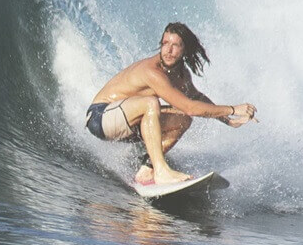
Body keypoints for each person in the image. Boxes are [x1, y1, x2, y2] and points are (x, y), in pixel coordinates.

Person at [85, 22, 256, 185]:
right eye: (165, 43)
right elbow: (190, 107)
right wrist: (234, 108)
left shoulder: (180, 73)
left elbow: (196, 98)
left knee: (183, 119)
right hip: (100, 117)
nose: (168, 50)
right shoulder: (152, 72)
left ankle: (147, 169)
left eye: (175, 45)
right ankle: (161, 171)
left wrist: (229, 119)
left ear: (185, 49)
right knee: (151, 103)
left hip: (127, 123)